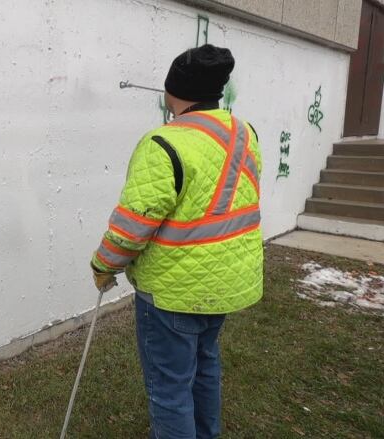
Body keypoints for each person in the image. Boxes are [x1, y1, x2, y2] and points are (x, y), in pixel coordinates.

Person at [90, 44, 263, 439]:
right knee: (204, 367)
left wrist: (103, 266)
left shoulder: (163, 143)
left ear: (173, 91)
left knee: (169, 388)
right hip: (227, 283)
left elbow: (132, 226)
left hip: (172, 292)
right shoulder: (244, 133)